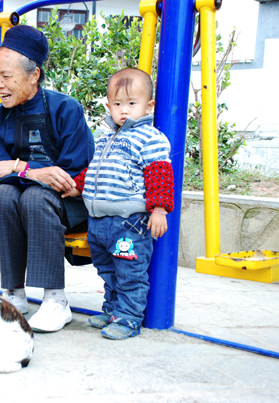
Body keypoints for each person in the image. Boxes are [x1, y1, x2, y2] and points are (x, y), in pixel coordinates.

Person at [0, 25, 95, 333]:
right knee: (1, 197)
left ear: (33, 75)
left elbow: (68, 179)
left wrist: (17, 168)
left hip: (64, 205)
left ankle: (56, 300)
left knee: (35, 196)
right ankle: (14, 295)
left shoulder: (65, 109)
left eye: (7, 76)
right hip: (13, 198)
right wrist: (30, 170)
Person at [65, 68, 174, 340]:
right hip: (98, 221)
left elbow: (159, 175)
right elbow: (93, 170)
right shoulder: (105, 138)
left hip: (129, 224)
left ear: (149, 106)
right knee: (107, 269)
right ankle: (113, 309)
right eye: (117, 104)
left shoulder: (150, 139)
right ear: (108, 106)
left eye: (131, 103)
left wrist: (159, 209)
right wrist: (77, 186)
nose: (123, 110)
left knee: (130, 272)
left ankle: (128, 319)